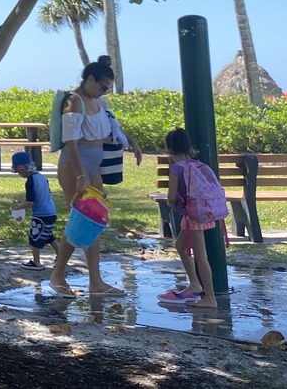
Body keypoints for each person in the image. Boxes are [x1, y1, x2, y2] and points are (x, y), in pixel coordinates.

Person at [50, 54, 143, 297]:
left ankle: (96, 281)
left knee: (94, 221)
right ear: (89, 79)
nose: (103, 92)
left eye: (107, 89)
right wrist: (80, 174)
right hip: (75, 163)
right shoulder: (74, 101)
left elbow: (113, 128)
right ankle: (57, 275)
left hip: (95, 164)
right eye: (101, 87)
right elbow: (70, 141)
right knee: (81, 219)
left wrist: (132, 142)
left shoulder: (101, 103)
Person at [159, 128, 225, 309]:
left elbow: (171, 197)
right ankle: (194, 283)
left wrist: (174, 205)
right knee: (180, 245)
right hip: (204, 212)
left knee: (200, 256)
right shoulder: (197, 165)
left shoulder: (176, 169)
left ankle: (210, 297)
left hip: (193, 217)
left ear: (169, 149)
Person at [10, 151, 57, 270]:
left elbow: (31, 201)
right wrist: (23, 202)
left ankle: (36, 263)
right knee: (48, 236)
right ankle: (61, 256)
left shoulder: (30, 181)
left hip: (41, 214)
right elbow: (42, 194)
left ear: (21, 168)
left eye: (18, 171)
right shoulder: (41, 177)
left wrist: (18, 207)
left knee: (35, 237)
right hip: (51, 212)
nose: (19, 174)